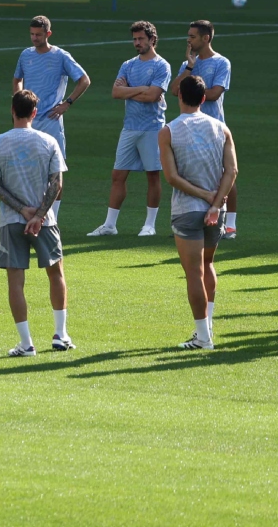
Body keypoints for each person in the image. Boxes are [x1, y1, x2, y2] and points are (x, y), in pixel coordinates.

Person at [0, 89, 70, 356]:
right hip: (46, 222)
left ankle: (26, 343)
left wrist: (23, 211)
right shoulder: (48, 141)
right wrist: (39, 215)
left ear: (12, 110)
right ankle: (60, 335)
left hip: (11, 221)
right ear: (34, 113)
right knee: (56, 274)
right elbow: (57, 185)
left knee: (15, 281)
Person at [158, 75, 236, 351]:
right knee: (208, 265)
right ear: (204, 99)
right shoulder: (221, 128)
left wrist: (203, 196)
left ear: (179, 96)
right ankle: (207, 327)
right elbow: (232, 171)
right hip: (217, 211)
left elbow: (171, 177)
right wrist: (215, 203)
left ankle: (203, 338)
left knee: (193, 272)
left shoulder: (168, 131)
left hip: (187, 210)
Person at [91, 20, 171, 237]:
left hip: (152, 128)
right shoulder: (128, 64)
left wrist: (129, 90)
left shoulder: (161, 66)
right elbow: (116, 93)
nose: (136, 43)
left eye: (141, 39)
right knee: (118, 175)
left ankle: (149, 225)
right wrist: (141, 89)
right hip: (129, 127)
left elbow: (153, 96)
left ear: (152, 40)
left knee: (153, 175)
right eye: (134, 39)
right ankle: (109, 225)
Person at [13, 17, 90, 220]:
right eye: (32, 34)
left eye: (38, 34)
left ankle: (52, 217)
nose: (34, 38)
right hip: (28, 121)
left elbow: (84, 80)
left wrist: (67, 103)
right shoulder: (25, 55)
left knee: (54, 171)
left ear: (48, 34)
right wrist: (18, 102)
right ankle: (24, 215)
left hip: (50, 121)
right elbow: (17, 79)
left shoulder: (61, 56)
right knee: (25, 167)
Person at [171, 21, 235, 238]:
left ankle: (230, 224)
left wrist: (193, 93)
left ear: (206, 38)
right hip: (189, 128)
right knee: (188, 173)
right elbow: (173, 90)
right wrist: (189, 67)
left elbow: (216, 93)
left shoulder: (221, 63)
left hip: (214, 127)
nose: (188, 40)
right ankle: (189, 219)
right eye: (188, 36)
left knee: (224, 174)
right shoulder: (187, 64)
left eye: (192, 36)